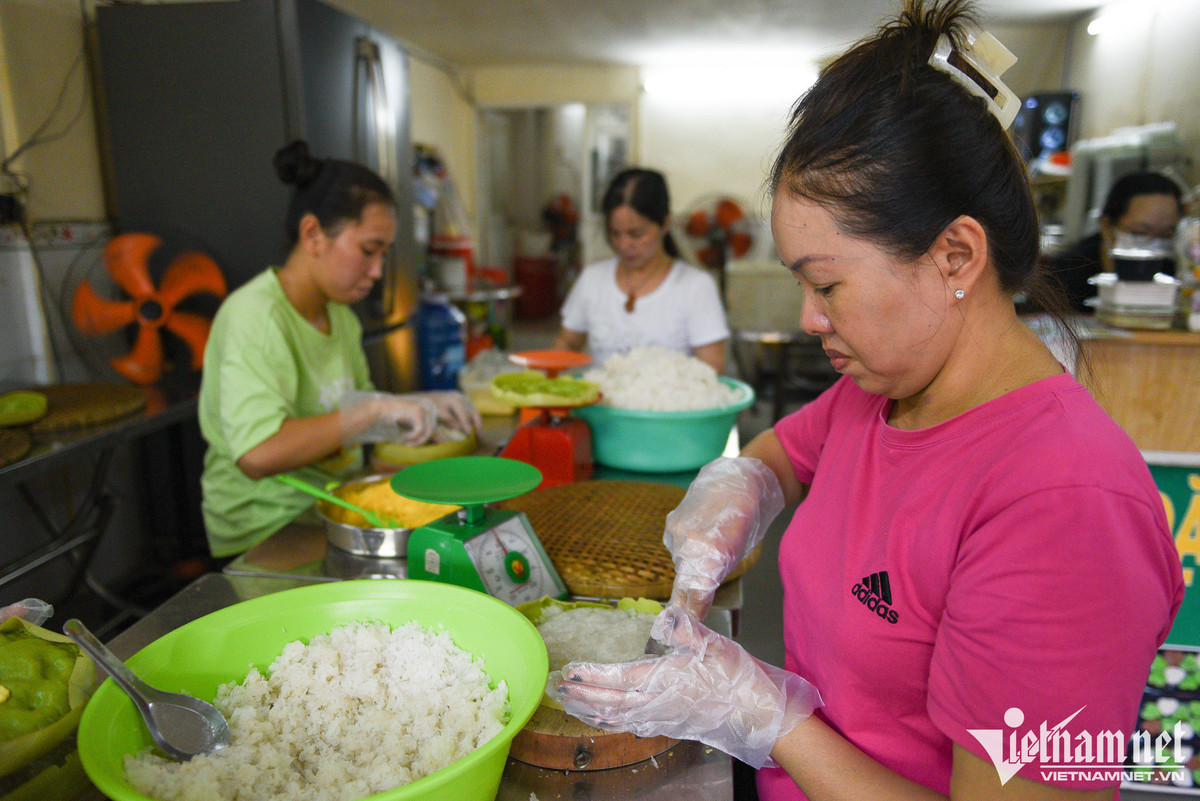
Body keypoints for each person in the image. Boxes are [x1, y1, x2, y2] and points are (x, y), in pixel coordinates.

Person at [554, 3, 1183, 800]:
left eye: (827, 284)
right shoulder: (882, 388)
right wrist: (738, 490)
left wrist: (767, 715)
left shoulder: (1066, 507)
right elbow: (785, 453)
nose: (811, 319)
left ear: (955, 254)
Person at [199, 140, 480, 558]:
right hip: (268, 530)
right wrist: (375, 410)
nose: (377, 272)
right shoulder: (257, 317)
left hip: (333, 507)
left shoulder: (341, 317)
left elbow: (356, 418)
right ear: (313, 234)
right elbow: (257, 454)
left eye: (384, 254)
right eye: (368, 250)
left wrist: (424, 404)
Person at [551, 168, 730, 372]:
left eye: (635, 234)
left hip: (669, 403)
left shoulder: (695, 287)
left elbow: (712, 368)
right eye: (615, 233)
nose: (624, 245)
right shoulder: (593, 279)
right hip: (600, 402)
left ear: (664, 224)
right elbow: (568, 342)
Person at [1046, 171, 1184, 312]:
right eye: (1140, 232)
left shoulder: (1171, 274)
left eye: (1166, 234)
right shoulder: (1068, 272)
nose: (1154, 243)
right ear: (1106, 225)